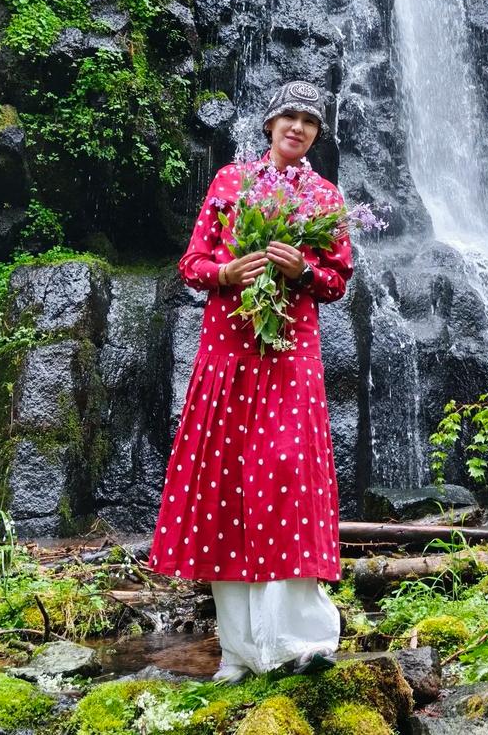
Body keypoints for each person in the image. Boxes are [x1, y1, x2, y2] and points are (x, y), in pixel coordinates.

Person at [148, 79, 353, 681]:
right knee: (226, 484)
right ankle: (239, 650)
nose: (297, 126)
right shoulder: (230, 182)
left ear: (317, 134)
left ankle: (302, 644)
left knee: (287, 474)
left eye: (309, 121)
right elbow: (193, 263)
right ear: (269, 124)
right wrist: (227, 270)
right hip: (228, 354)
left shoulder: (323, 194)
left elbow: (339, 280)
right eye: (288, 116)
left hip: (289, 355)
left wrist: (305, 269)